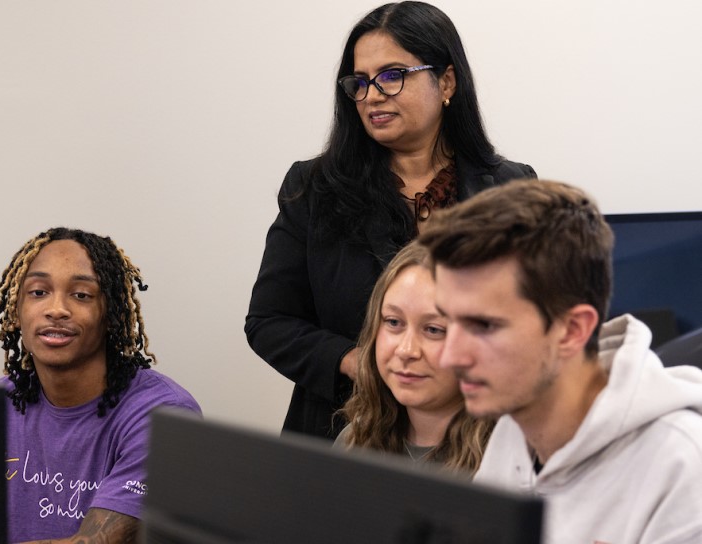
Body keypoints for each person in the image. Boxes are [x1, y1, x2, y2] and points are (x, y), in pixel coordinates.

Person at [245, 1, 536, 440]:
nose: (373, 95)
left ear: (446, 81)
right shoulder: (314, 187)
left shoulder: (511, 188)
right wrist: (357, 362)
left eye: (392, 75)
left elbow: (531, 318)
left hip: (476, 436)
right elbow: (269, 321)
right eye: (360, 82)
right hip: (343, 429)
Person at [417, 179, 702, 543]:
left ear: (572, 330)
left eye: (484, 325)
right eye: (447, 322)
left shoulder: (683, 467)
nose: (450, 357)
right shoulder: (513, 424)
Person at [0, 227, 202, 544]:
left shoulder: (163, 415)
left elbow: (96, 542)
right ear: (16, 310)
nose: (56, 309)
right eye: (38, 292)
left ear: (110, 314)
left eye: (81, 295)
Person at [335, 241, 492, 474]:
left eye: (434, 329)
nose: (406, 350)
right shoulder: (354, 440)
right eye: (393, 322)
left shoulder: (508, 463)